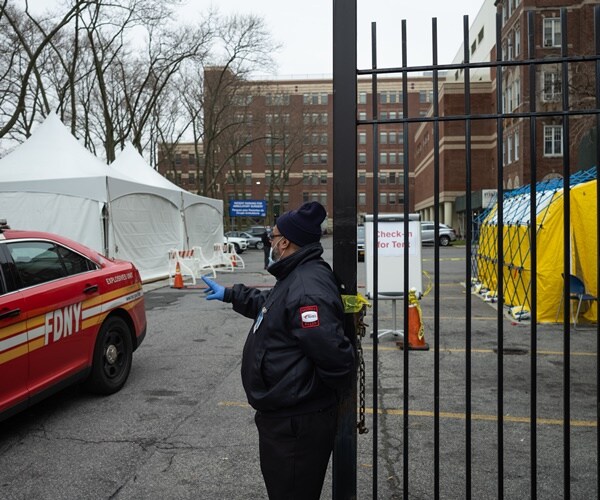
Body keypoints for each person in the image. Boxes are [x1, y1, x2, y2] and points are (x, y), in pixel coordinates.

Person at [202, 201, 354, 500]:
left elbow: (334, 356)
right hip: (289, 418)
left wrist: (312, 395)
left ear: (284, 242)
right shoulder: (296, 276)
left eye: (272, 236)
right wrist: (232, 294)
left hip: (297, 422)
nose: (269, 242)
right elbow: (273, 307)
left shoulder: (307, 287)